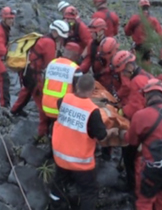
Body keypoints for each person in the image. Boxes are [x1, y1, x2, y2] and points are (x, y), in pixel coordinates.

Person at [49, 74, 116, 210]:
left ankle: (54, 203)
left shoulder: (63, 100)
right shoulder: (92, 111)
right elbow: (101, 135)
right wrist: (112, 132)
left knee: (58, 182)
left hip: (60, 157)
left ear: (77, 86)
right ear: (92, 90)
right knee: (89, 192)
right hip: (80, 163)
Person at [121, 79, 162, 210]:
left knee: (145, 202)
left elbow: (132, 141)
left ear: (146, 96)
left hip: (152, 169)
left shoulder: (140, 116)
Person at [10, 20, 69, 132]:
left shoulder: (43, 38)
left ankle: (15, 110)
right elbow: (50, 64)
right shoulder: (49, 43)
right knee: (42, 102)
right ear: (56, 32)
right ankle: (43, 130)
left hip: (28, 72)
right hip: (35, 76)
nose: (61, 39)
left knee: (26, 91)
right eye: (61, 36)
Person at [112, 50, 154, 195]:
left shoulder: (137, 81)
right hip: (152, 121)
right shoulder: (143, 74)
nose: (122, 75)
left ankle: (132, 186)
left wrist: (121, 111)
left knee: (129, 153)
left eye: (122, 71)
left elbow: (135, 108)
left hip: (143, 125)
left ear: (129, 67)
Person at [42, 42, 83, 119]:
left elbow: (44, 82)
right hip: (62, 110)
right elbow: (80, 92)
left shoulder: (51, 63)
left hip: (46, 107)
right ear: (76, 55)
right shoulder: (75, 69)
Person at [125, 0, 162, 68]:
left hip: (137, 47)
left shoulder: (134, 19)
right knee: (146, 67)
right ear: (148, 8)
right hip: (147, 47)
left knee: (135, 66)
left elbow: (127, 32)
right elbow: (161, 34)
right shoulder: (153, 20)